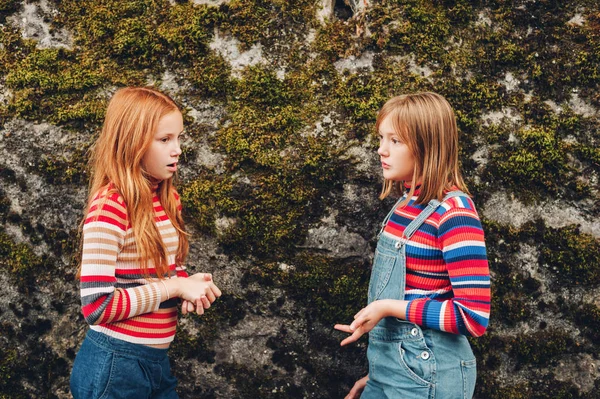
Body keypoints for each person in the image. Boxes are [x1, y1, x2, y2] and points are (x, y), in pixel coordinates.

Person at [335, 92, 491, 399]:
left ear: (426, 145)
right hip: (399, 372)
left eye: (395, 141)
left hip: (429, 374)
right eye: (381, 138)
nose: (382, 150)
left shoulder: (454, 213)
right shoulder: (407, 205)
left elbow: (473, 317)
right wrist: (381, 376)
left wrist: (386, 308)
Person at [70, 87, 222, 399]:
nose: (177, 149)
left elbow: (160, 271)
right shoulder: (110, 205)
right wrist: (174, 288)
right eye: (164, 139)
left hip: (154, 364)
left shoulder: (166, 199)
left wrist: (189, 283)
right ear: (132, 143)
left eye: (178, 138)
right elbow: (96, 306)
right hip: (114, 367)